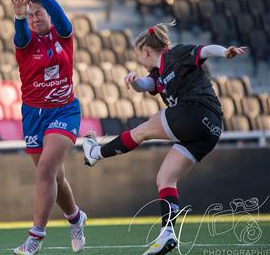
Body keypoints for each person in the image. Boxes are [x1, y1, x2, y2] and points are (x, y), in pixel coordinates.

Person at [82, 21, 246, 255]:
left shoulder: (175, 54)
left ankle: (95, 153)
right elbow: (146, 84)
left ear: (146, 51)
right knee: (165, 179)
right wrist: (134, 80)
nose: (138, 60)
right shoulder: (157, 74)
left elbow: (205, 51)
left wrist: (225, 52)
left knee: (143, 130)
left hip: (197, 111)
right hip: (210, 131)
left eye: (138, 55)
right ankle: (167, 233)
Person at [10, 0, 87, 254]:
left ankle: (35, 238)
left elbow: (58, 14)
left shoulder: (63, 36)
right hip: (33, 115)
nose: (34, 18)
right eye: (30, 16)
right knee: (55, 177)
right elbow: (20, 35)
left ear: (48, 15)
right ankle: (76, 218)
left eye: (38, 13)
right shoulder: (25, 43)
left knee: (44, 171)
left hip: (64, 111)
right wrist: (18, 18)